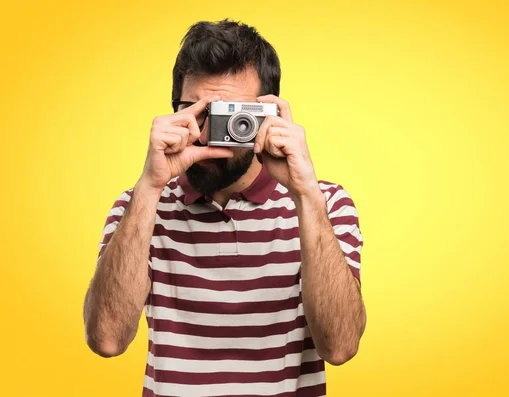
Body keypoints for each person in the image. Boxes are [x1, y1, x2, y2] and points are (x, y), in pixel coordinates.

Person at [83, 19, 366, 397]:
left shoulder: (324, 204)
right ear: (174, 111)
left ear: (269, 115)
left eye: (233, 116)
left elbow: (341, 346)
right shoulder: (138, 207)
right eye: (199, 112)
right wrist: (150, 187)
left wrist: (305, 194)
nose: (208, 133)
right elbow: (107, 340)